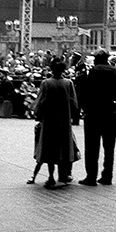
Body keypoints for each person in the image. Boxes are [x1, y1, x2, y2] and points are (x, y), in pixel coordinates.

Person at [33, 57, 80, 188]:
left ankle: (51, 177)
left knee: (49, 147)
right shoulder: (68, 83)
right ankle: (63, 175)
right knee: (64, 147)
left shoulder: (46, 83)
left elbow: (40, 101)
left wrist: (37, 114)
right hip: (64, 121)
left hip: (49, 120)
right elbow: (74, 103)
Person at [79, 49, 116, 186]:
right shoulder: (115, 72)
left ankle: (91, 176)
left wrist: (85, 109)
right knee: (109, 147)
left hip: (93, 112)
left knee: (92, 146)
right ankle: (107, 176)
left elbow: (86, 91)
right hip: (109, 112)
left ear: (97, 59)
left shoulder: (93, 71)